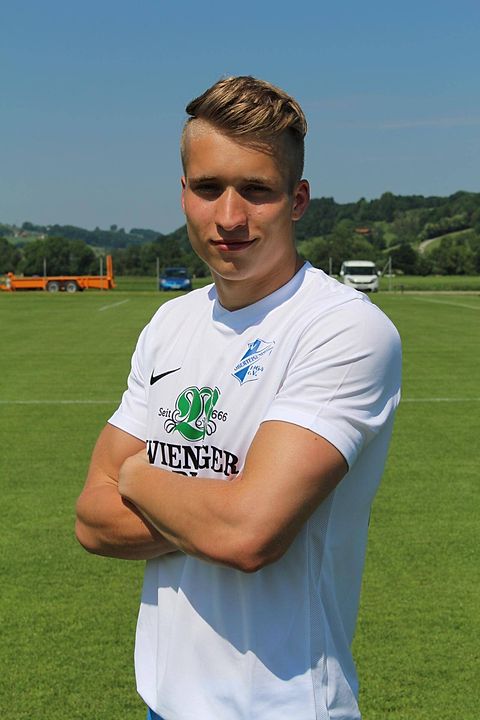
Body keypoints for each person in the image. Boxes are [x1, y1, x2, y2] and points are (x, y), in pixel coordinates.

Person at [75, 75, 402, 720]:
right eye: (208, 188)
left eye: (256, 189)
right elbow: (91, 519)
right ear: (183, 194)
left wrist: (137, 477)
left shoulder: (343, 329)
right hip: (163, 702)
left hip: (282, 705)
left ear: (297, 199)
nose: (229, 217)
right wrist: (215, 509)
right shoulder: (169, 324)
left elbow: (248, 535)